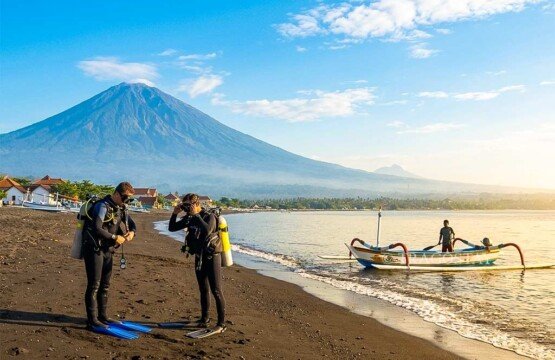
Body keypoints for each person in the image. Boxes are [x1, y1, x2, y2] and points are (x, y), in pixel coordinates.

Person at [82, 182, 136, 331]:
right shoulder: (102, 206)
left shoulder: (120, 208)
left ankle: (103, 316)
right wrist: (114, 237)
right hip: (94, 249)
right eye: (126, 198)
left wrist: (132, 233)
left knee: (105, 285)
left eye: (129, 199)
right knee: (94, 285)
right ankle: (92, 320)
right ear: (117, 194)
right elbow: (96, 227)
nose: (127, 202)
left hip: (107, 250)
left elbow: (133, 225)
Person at [168, 193, 226, 332]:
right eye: (185, 205)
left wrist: (196, 215)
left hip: (212, 257)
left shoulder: (209, 216)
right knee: (203, 289)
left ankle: (221, 324)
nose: (187, 208)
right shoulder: (190, 218)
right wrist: (175, 213)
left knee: (216, 290)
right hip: (199, 257)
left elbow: (207, 231)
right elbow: (172, 228)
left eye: (189, 205)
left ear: (196, 204)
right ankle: (204, 318)